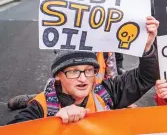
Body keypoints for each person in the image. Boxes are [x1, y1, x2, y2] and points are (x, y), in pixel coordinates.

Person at [6, 16, 159, 125]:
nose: (83, 79)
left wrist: (147, 47)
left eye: (88, 70)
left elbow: (146, 78)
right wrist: (52, 123)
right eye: (73, 71)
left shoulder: (106, 92)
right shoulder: (40, 107)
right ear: (58, 75)